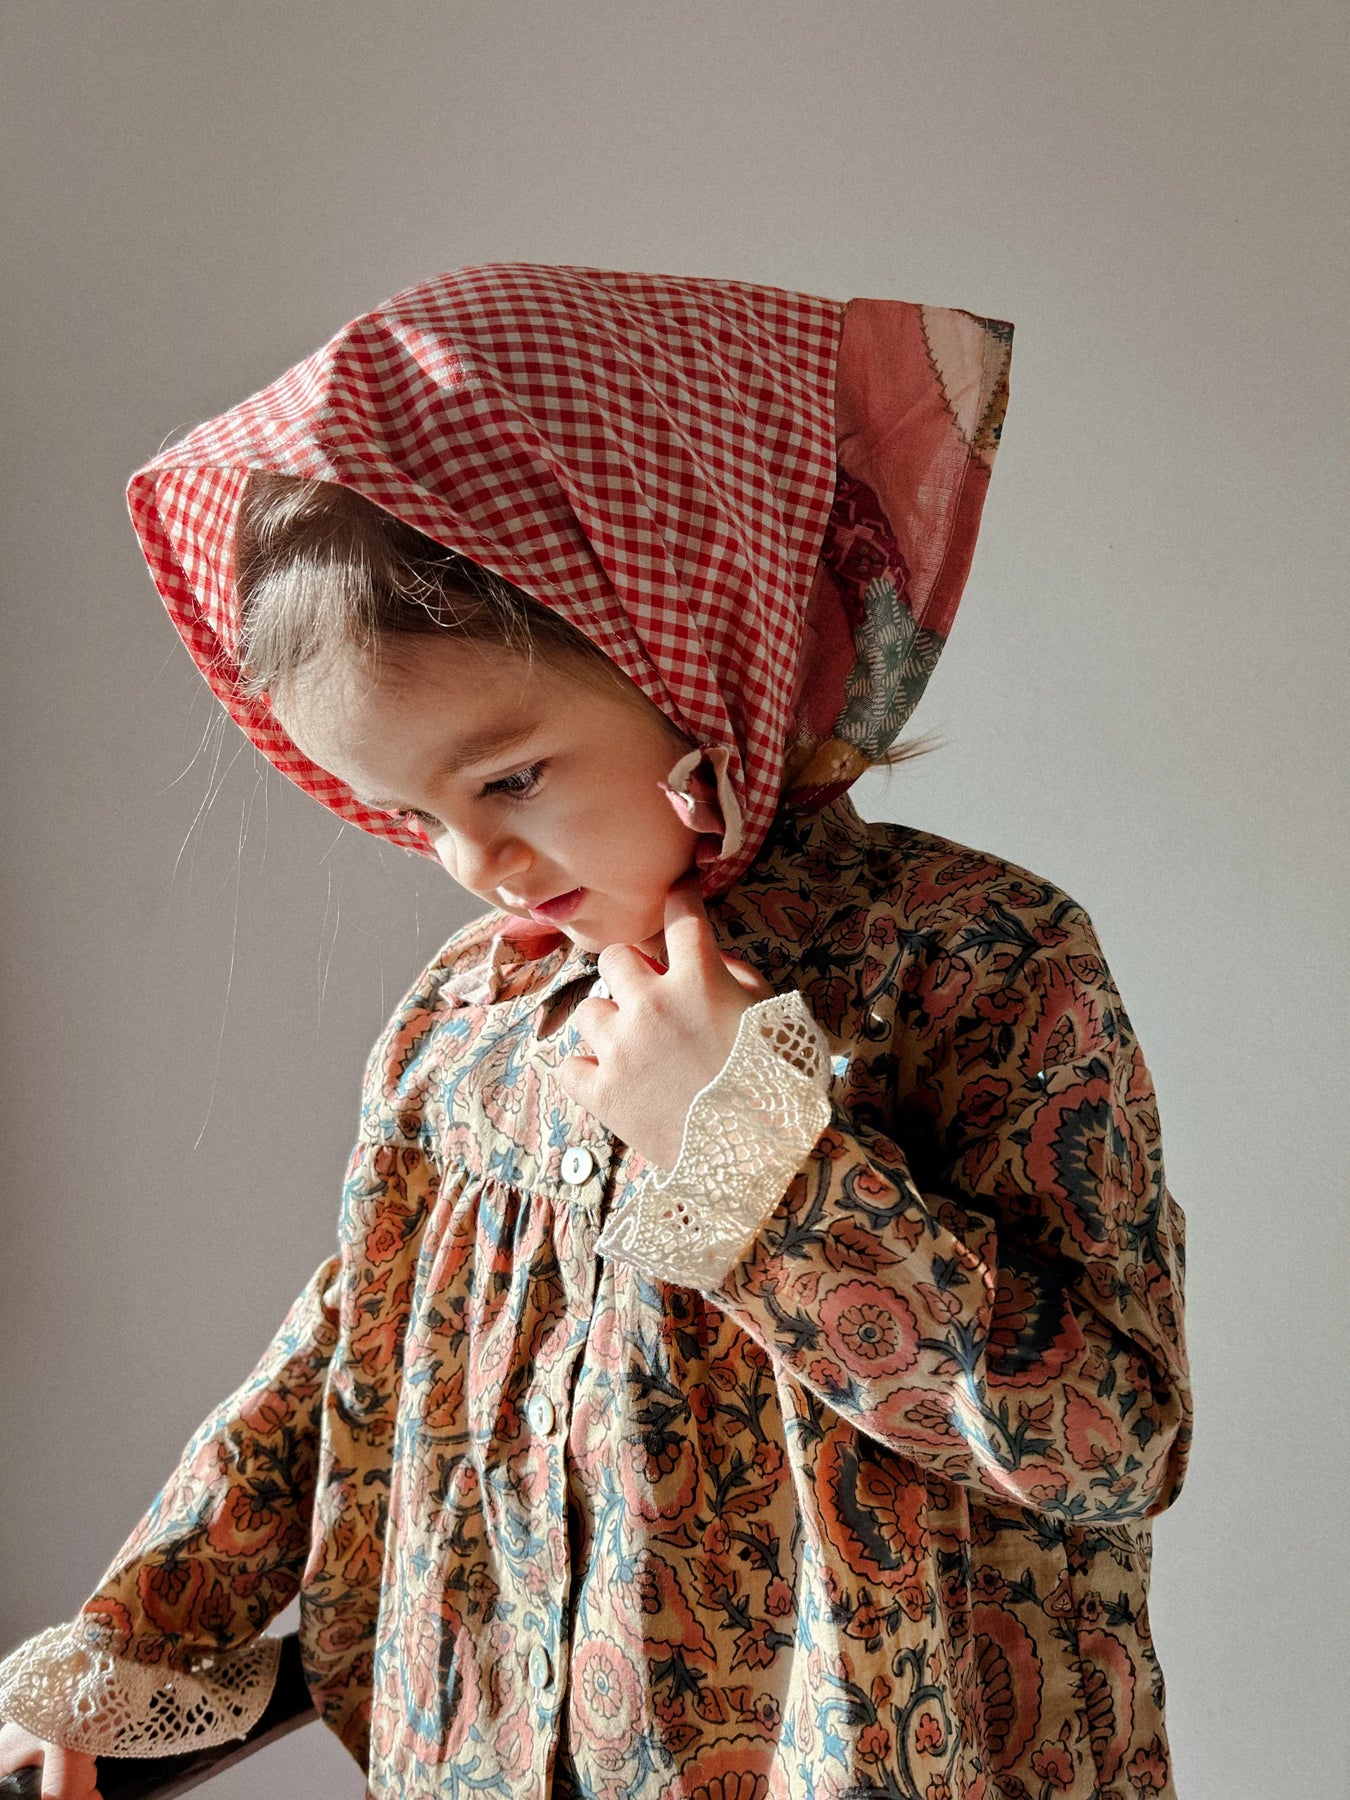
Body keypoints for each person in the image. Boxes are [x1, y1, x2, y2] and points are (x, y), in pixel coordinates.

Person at [0, 263, 1190, 1800]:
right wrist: (136, 1644)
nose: (473, 862)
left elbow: (1110, 1444)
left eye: (508, 778)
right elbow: (342, 1363)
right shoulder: (468, 1018)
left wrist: (759, 1166)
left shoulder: (971, 957)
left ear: (692, 646)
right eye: (410, 808)